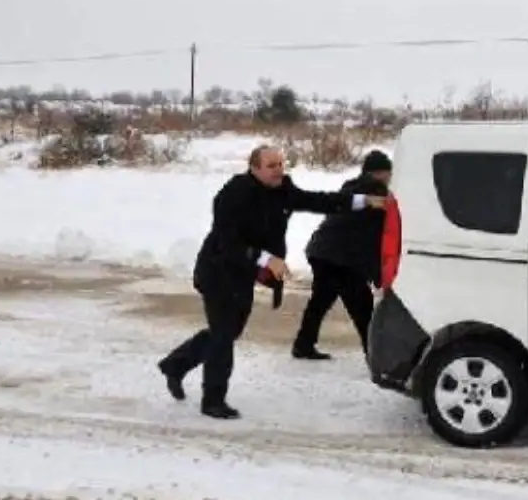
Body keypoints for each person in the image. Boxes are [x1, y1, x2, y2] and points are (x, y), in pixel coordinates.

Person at [156, 144, 385, 419]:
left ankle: (176, 364)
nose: (278, 170)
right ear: (254, 168)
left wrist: (365, 201)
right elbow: (227, 242)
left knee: (228, 331)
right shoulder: (233, 195)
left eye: (280, 164)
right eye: (271, 166)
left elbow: (318, 200)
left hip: (243, 274)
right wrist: (266, 259)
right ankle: (213, 400)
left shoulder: (282, 190)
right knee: (224, 334)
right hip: (217, 271)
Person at [292, 149, 392, 360]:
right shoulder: (377, 193)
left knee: (320, 301)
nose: (390, 177)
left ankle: (303, 344)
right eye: (387, 172)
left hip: (320, 250)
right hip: (341, 259)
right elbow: (377, 235)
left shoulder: (352, 187)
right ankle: (375, 357)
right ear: (380, 173)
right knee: (362, 307)